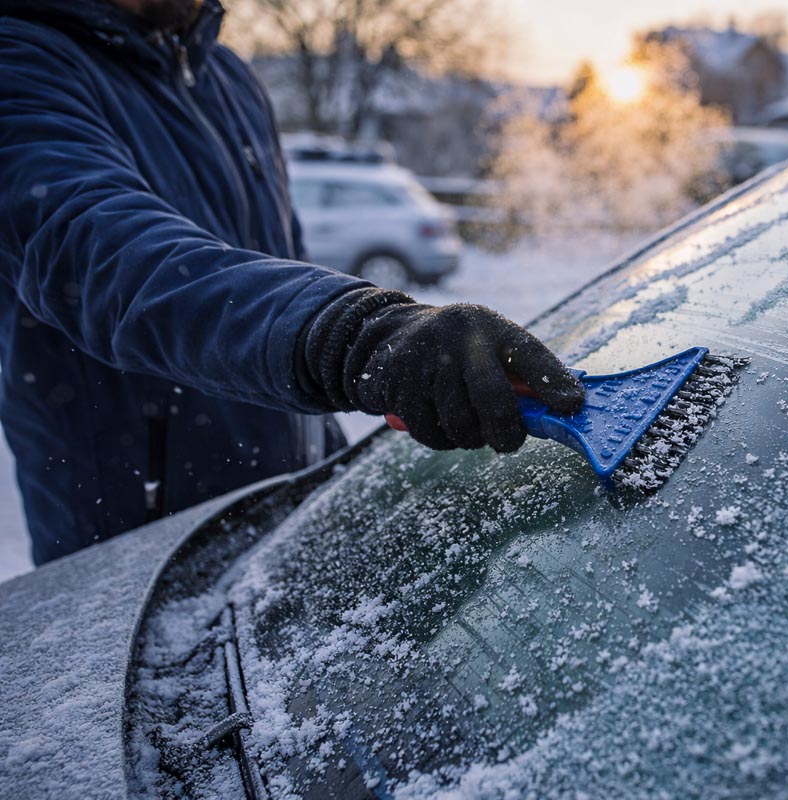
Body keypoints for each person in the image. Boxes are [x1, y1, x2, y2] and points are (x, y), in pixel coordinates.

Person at [0, 0, 585, 565]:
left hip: (295, 513)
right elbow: (105, 254)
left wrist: (324, 446)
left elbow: (283, 254)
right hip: (143, 562)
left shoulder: (226, 77)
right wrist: (359, 336)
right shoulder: (19, 64)